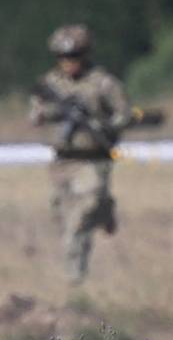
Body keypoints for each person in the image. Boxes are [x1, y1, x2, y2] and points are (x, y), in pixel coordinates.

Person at [28, 25, 131, 284]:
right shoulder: (50, 84)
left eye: (74, 56)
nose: (68, 63)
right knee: (62, 218)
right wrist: (54, 112)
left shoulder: (102, 83)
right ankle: (105, 208)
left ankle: (74, 279)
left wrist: (102, 123)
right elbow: (36, 115)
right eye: (63, 58)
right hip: (62, 161)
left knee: (80, 219)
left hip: (93, 158)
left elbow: (124, 114)